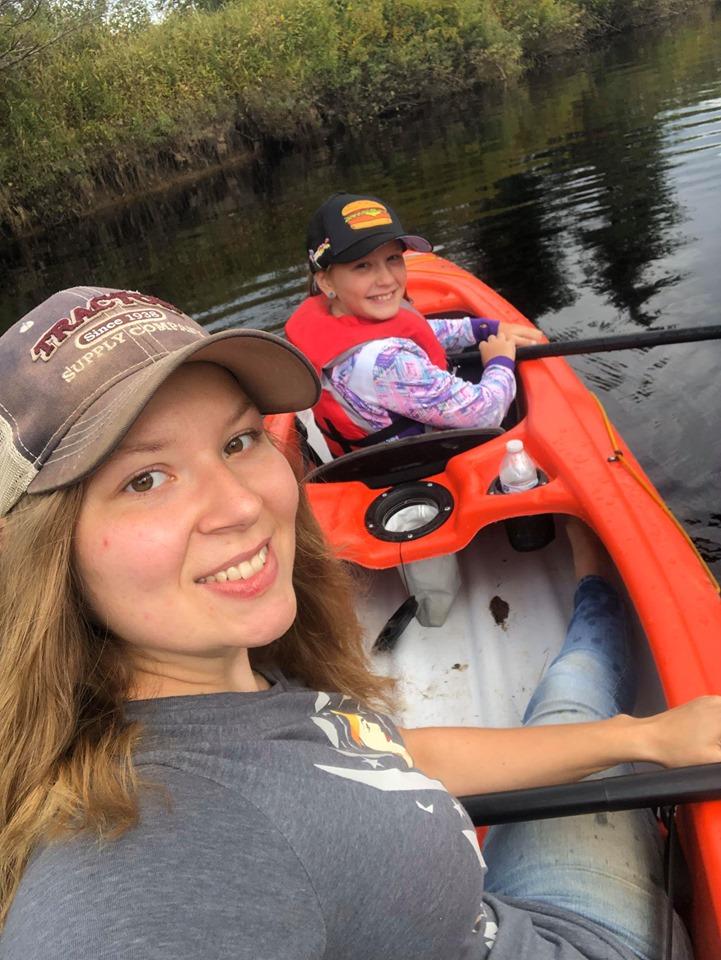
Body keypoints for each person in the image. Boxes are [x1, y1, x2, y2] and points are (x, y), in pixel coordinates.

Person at [1, 286, 719, 960]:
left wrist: (646, 736)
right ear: (42, 554)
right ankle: (592, 582)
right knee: (579, 672)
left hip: (488, 910)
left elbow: (377, 755)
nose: (243, 506)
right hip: (571, 939)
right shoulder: (139, 857)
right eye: (145, 480)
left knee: (581, 701)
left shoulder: (221, 679)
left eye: (237, 441)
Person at [285, 192, 544, 457]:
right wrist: (499, 362)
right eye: (362, 266)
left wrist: (482, 329)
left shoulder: (337, 315)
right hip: (420, 464)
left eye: (393, 259)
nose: (386, 279)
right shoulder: (385, 363)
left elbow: (416, 328)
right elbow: (485, 413)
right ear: (326, 281)